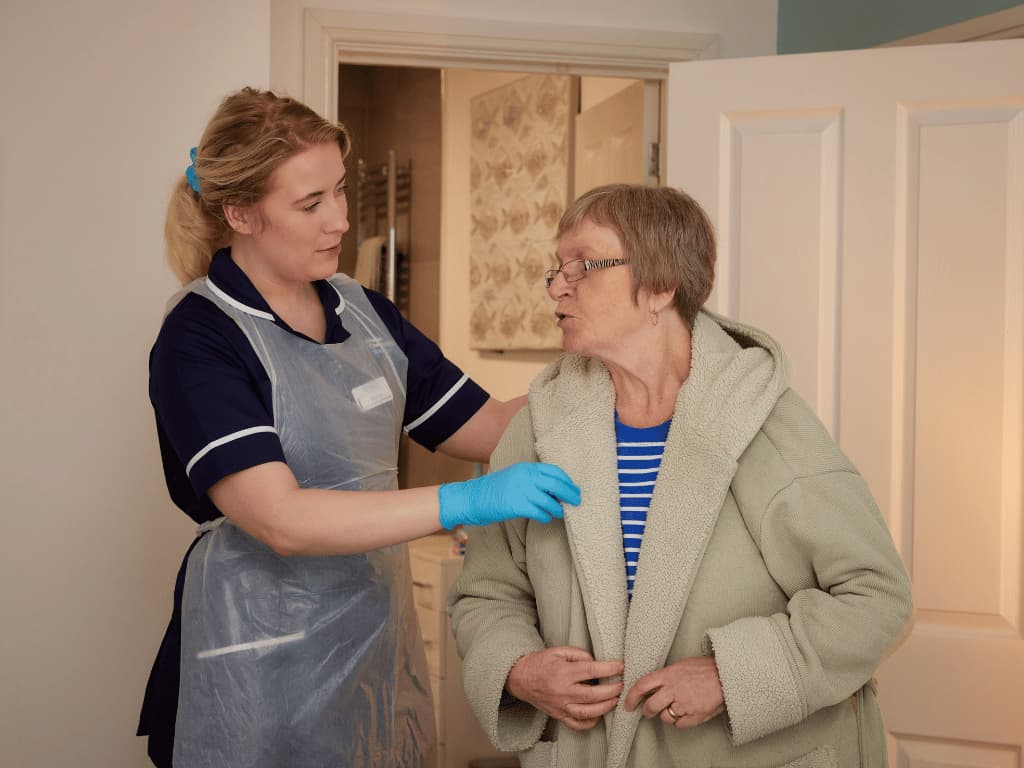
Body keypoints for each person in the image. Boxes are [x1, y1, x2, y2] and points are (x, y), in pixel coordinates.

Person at [136, 87, 580, 768]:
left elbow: (491, 427)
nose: (339, 220)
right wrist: (462, 502)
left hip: (372, 646)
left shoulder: (365, 312)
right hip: (253, 664)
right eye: (311, 204)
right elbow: (281, 520)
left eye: (340, 191)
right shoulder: (200, 335)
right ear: (240, 212)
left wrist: (603, 359)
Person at [448, 183, 913, 768]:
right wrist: (518, 669)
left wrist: (732, 675)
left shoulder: (767, 426)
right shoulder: (538, 429)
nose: (556, 285)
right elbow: (486, 593)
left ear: (660, 288)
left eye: (583, 266)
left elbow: (877, 597)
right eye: (556, 267)